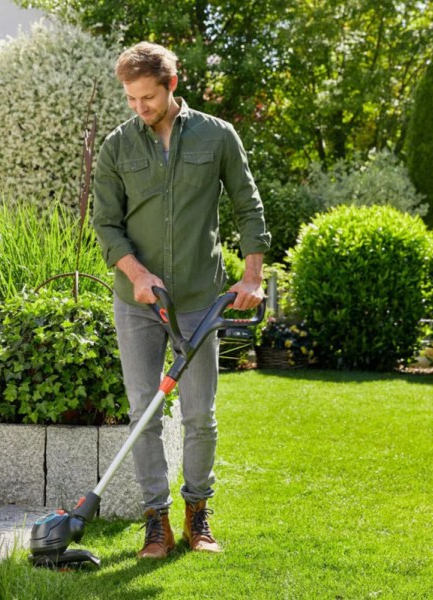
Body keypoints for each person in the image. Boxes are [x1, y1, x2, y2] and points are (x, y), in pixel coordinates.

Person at [92, 41, 270, 559]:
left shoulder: (217, 135)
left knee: (199, 414)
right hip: (138, 301)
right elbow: (106, 224)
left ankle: (198, 514)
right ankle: (156, 521)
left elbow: (248, 203)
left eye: (146, 97)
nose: (138, 108)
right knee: (143, 412)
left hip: (197, 298)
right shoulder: (117, 146)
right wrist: (137, 272)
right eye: (130, 99)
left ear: (171, 86)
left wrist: (252, 275)